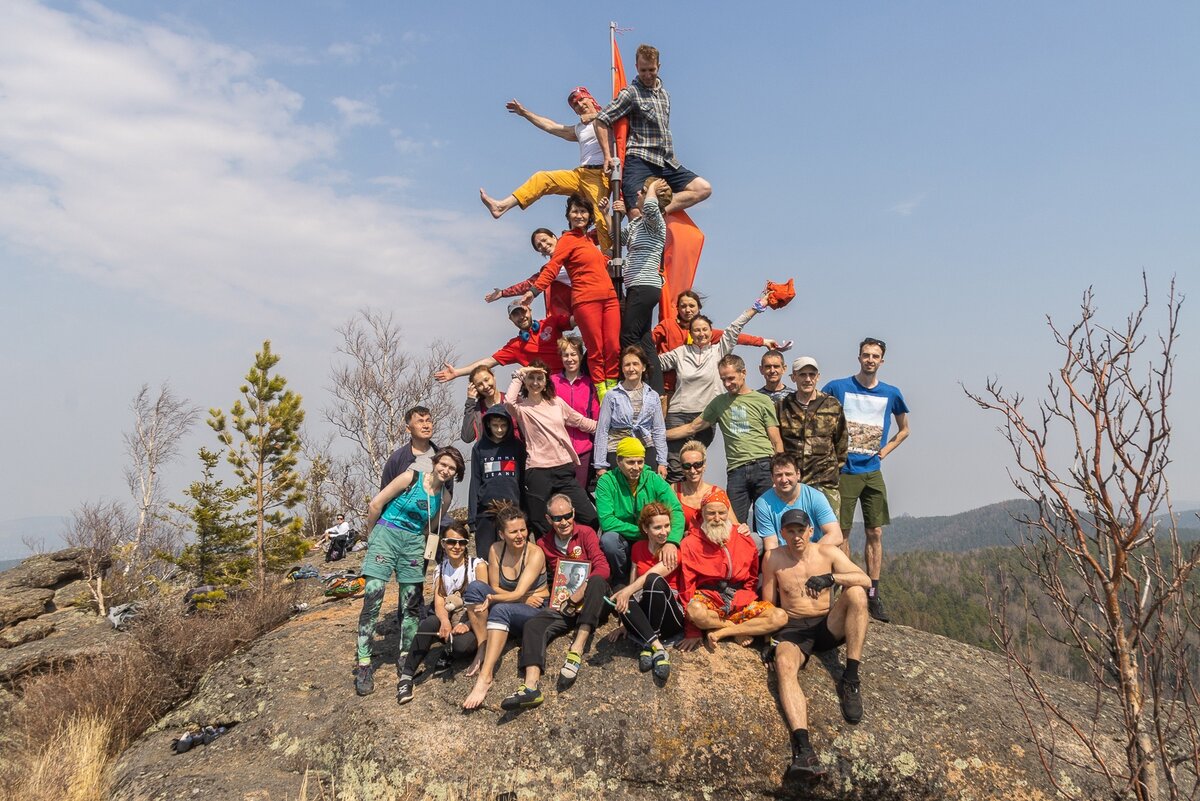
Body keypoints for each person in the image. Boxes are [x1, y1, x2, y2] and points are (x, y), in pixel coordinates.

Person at [761, 509, 870, 779]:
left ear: (811, 531)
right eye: (790, 531)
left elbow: (865, 580)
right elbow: (767, 602)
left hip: (826, 624)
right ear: (782, 533)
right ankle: (804, 750)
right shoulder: (773, 558)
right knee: (784, 664)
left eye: (801, 530)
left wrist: (832, 578)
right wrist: (767, 639)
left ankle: (851, 678)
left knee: (856, 594)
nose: (796, 536)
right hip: (793, 627)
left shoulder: (827, 553)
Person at [354, 447, 465, 697]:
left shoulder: (444, 498)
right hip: (386, 533)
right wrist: (372, 537)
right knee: (373, 596)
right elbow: (375, 504)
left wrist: (421, 545)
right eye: (444, 464)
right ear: (435, 462)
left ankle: (406, 656)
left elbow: (432, 527)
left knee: (412, 602)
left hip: (414, 541)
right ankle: (364, 663)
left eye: (452, 469)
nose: (446, 471)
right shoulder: (411, 477)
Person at [822, 338, 911, 623]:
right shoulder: (838, 387)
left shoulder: (891, 393)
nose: (870, 360)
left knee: (876, 532)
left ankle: (873, 592)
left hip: (872, 471)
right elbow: (818, 413)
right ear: (859, 357)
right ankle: (849, 587)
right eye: (866, 355)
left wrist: (885, 451)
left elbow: (904, 429)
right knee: (843, 534)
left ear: (882, 361)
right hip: (844, 471)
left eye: (875, 356)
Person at [499, 494, 611, 709]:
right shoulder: (543, 543)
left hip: (593, 601)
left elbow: (603, 567)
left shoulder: (586, 533)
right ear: (549, 519)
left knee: (597, 580)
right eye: (557, 518)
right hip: (565, 604)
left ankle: (576, 649)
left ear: (574, 514)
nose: (564, 522)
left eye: (568, 516)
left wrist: (580, 592)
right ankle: (530, 687)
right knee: (533, 625)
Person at [657, 290, 778, 481]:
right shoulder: (679, 353)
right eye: (696, 330)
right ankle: (676, 508)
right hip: (678, 414)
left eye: (705, 329)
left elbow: (735, 328)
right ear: (690, 333)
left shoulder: (718, 350)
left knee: (695, 466)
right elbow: (654, 363)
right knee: (676, 468)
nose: (701, 333)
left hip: (706, 416)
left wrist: (758, 306)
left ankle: (694, 506)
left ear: (711, 332)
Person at [479, 88, 614, 254]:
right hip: (580, 174)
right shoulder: (579, 128)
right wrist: (525, 113)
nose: (579, 105)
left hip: (599, 175)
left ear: (591, 99)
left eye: (581, 100)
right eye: (575, 105)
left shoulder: (609, 118)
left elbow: (619, 109)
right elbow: (550, 126)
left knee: (601, 217)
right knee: (542, 178)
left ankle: (609, 259)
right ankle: (501, 206)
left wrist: (594, 116)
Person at [518, 195, 621, 396]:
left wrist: (606, 255)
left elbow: (600, 261)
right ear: (568, 215)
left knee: (613, 347)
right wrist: (534, 291)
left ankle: (614, 388)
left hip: (609, 298)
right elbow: (552, 268)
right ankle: (603, 394)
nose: (579, 215)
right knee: (597, 349)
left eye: (583, 211)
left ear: (589, 216)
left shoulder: (587, 240)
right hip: (586, 300)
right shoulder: (567, 240)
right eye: (575, 211)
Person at [666, 353, 783, 526]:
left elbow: (776, 441)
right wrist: (659, 435)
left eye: (731, 378)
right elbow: (693, 427)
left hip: (763, 466)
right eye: (723, 380)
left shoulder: (762, 400)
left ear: (743, 373)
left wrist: (778, 473)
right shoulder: (719, 402)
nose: (727, 384)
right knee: (732, 524)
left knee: (766, 524)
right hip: (737, 470)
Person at [593, 43, 712, 214]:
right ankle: (644, 219)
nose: (648, 75)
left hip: (665, 161)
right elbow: (601, 120)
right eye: (643, 70)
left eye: (651, 70)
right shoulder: (631, 93)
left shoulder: (665, 95)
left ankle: (657, 212)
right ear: (636, 67)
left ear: (658, 67)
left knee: (703, 188)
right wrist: (607, 156)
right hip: (640, 158)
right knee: (635, 211)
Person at [461, 504, 550, 710]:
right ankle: (483, 646)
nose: (520, 535)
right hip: (518, 601)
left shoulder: (534, 553)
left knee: (500, 609)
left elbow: (518, 592)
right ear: (502, 534)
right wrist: (517, 599)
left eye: (523, 529)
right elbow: (495, 587)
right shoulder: (495, 549)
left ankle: (485, 676)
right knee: (475, 588)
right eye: (513, 531)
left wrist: (508, 599)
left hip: (535, 608)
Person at [395, 521, 489, 704]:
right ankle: (406, 677)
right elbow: (439, 601)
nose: (457, 547)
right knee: (428, 624)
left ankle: (448, 652)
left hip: (473, 619)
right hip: (450, 615)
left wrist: (467, 624)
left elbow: (484, 600)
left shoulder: (477, 565)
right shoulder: (441, 568)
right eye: (451, 542)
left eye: (462, 542)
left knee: (461, 646)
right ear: (443, 544)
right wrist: (445, 623)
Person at [678, 495, 787, 651]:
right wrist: (692, 632)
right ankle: (735, 627)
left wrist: (745, 599)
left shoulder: (743, 537)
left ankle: (725, 630)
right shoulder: (690, 543)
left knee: (780, 617)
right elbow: (687, 585)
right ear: (702, 514)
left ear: (728, 512)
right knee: (694, 611)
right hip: (709, 598)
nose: (717, 518)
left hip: (739, 598)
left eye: (722, 513)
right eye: (711, 513)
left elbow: (752, 576)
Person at [503, 362, 599, 536]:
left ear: (546, 381)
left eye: (540, 378)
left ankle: (575, 549)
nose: (535, 382)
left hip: (563, 468)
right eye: (531, 378)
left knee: (590, 517)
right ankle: (550, 559)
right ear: (525, 381)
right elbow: (508, 401)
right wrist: (519, 374)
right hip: (538, 470)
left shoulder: (557, 403)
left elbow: (581, 422)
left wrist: (607, 428)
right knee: (541, 523)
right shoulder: (522, 408)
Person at [608, 502, 686, 682]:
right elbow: (633, 582)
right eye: (657, 527)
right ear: (645, 528)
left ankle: (647, 641)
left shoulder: (673, 550)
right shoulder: (637, 548)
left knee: (652, 581)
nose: (664, 532)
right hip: (646, 613)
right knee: (622, 592)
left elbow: (650, 576)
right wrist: (624, 623)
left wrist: (627, 592)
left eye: (667, 526)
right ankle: (656, 647)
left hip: (670, 615)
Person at [652, 289, 783, 394]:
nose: (687, 310)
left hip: (696, 390)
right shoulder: (668, 326)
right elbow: (648, 343)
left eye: (691, 306)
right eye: (683, 306)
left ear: (699, 307)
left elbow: (734, 335)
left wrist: (763, 341)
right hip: (667, 388)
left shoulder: (704, 333)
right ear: (677, 308)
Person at [594, 437, 685, 582]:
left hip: (652, 538)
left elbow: (676, 510)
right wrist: (643, 531)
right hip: (624, 538)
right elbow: (607, 521)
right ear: (618, 461)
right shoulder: (607, 481)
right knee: (609, 540)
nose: (636, 467)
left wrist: (672, 541)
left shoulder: (654, 479)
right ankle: (620, 581)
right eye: (630, 462)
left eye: (640, 461)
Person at [616, 177, 671, 393]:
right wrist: (612, 215)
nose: (638, 194)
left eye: (642, 191)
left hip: (644, 285)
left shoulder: (655, 222)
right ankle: (657, 389)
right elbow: (616, 239)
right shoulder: (637, 224)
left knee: (627, 337)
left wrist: (654, 187)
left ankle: (638, 381)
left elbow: (649, 206)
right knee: (644, 340)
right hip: (635, 287)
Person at [434, 302, 575, 384]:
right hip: (545, 385)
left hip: (570, 376)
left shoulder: (551, 322)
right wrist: (457, 372)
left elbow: (576, 320)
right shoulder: (516, 346)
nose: (521, 317)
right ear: (511, 319)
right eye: (516, 315)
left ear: (530, 310)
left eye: (523, 312)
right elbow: (489, 362)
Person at [776, 356, 848, 515]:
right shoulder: (782, 406)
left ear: (818, 377)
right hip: (793, 483)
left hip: (825, 481)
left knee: (829, 533)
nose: (808, 379)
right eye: (802, 375)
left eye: (812, 374)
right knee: (794, 533)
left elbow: (841, 443)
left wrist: (834, 470)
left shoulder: (832, 404)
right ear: (793, 377)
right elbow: (776, 442)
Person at [593, 346, 667, 476]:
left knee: (646, 494)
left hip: (645, 450)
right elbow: (602, 430)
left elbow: (659, 430)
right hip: (618, 451)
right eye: (627, 365)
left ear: (643, 367)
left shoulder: (653, 395)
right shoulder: (611, 395)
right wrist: (600, 464)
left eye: (635, 364)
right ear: (622, 368)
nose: (631, 368)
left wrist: (662, 462)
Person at [753, 453, 844, 554]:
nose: (784, 480)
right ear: (772, 478)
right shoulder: (763, 504)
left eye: (788, 474)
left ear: (798, 474)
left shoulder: (815, 497)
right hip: (785, 558)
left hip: (816, 554)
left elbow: (836, 535)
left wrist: (808, 555)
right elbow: (771, 545)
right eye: (779, 475)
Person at [468, 405, 525, 559]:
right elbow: (475, 481)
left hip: (511, 510)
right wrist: (472, 517)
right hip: (486, 512)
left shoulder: (517, 446)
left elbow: (522, 481)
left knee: (512, 556)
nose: (499, 430)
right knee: (486, 557)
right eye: (495, 425)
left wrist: (526, 512)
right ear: (488, 425)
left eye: (503, 425)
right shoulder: (479, 448)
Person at [484, 228, 573, 319]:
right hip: (583, 301)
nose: (543, 245)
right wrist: (503, 293)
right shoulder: (549, 270)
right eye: (539, 245)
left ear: (554, 237)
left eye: (544, 240)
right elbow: (528, 284)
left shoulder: (575, 245)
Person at [550, 335, 597, 489]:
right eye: (565, 355)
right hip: (557, 450)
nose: (570, 359)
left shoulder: (590, 384)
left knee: (578, 496)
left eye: (573, 354)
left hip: (583, 451)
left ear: (581, 356)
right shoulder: (552, 382)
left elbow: (596, 416)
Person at [672, 441, 739, 535]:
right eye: (687, 466)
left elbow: (734, 525)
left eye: (697, 465)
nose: (692, 470)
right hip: (684, 543)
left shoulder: (717, 493)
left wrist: (743, 528)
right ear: (681, 468)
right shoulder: (674, 490)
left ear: (704, 465)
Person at [380, 406, 439, 488]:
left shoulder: (442, 457)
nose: (426, 425)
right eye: (420, 421)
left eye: (428, 421)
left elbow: (447, 493)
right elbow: (384, 494)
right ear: (408, 429)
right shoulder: (397, 459)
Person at [460, 365, 506, 444]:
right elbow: (467, 437)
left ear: (493, 377)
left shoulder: (510, 400)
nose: (485, 386)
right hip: (487, 454)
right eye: (479, 385)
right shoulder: (477, 409)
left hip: (514, 453)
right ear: (475, 388)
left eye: (486, 380)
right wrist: (470, 401)